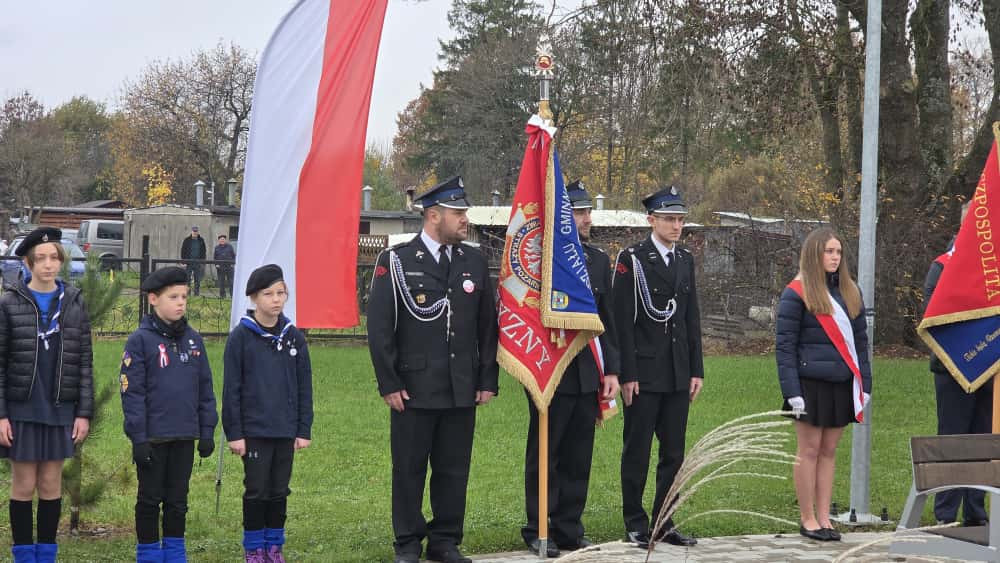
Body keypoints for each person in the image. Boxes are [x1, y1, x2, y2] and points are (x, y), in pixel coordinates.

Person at [367, 176, 499, 563]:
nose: (464, 219)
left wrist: (486, 378)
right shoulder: (398, 260)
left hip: (461, 386)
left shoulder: (472, 259)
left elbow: (487, 326)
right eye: (458, 213)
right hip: (414, 386)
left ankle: (445, 540)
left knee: (453, 469)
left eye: (464, 212)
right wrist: (389, 382)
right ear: (433, 215)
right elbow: (379, 328)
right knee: (409, 470)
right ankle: (407, 542)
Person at [521, 180, 620, 557]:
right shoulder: (542, 260)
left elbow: (605, 319)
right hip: (549, 370)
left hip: (587, 372)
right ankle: (538, 527)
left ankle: (568, 528)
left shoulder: (597, 260)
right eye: (579, 213)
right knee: (546, 454)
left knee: (579, 455)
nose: (586, 219)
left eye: (587, 212)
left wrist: (611, 370)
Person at [612, 186, 703, 549]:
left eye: (680, 220)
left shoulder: (685, 260)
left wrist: (696, 368)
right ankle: (636, 521)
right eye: (669, 219)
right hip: (645, 374)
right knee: (637, 450)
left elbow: (690, 318)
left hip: (677, 372)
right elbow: (622, 322)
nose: (676, 226)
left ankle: (665, 521)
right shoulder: (632, 259)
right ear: (651, 220)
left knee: (674, 453)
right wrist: (627, 374)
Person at [0, 227, 94, 563]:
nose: (48, 264)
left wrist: (83, 412)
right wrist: (1, 415)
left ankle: (47, 555)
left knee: (51, 484)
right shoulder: (9, 303)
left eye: (54, 257)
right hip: (22, 408)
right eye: (40, 258)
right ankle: (25, 556)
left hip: (59, 408)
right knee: (24, 485)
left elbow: (84, 360)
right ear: (27, 262)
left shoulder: (73, 302)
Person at [776, 227, 872, 542]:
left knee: (829, 451)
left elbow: (860, 344)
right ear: (814, 254)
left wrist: (865, 385)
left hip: (841, 384)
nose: (834, 257)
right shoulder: (796, 292)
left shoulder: (850, 291)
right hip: (808, 385)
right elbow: (785, 347)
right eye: (828, 251)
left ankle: (824, 516)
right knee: (810, 450)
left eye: (838, 252)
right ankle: (807, 519)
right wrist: (792, 392)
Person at [120, 266, 218, 562]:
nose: (180, 303)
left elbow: (205, 388)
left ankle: (175, 553)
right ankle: (148, 553)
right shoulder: (140, 341)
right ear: (153, 299)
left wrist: (207, 430)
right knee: (150, 499)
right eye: (173, 297)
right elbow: (132, 393)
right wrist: (139, 437)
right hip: (153, 438)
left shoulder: (193, 340)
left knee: (178, 500)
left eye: (184, 297)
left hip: (184, 436)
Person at [224, 264, 313, 563]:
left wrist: (303, 428)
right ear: (253, 298)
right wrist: (235, 433)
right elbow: (231, 389)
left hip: (285, 429)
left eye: (281, 293)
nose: (276, 299)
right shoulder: (241, 337)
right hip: (255, 431)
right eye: (268, 294)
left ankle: (274, 547)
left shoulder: (294, 338)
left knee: (279, 491)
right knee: (257, 490)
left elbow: (304, 387)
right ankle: (254, 548)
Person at [924, 202, 989, 526]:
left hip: (989, 369)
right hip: (953, 368)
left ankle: (976, 511)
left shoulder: (993, 270)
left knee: (981, 439)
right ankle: (946, 513)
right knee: (953, 438)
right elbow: (934, 318)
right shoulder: (942, 266)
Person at [180, 226, 206, 297]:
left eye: (196, 231)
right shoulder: (187, 240)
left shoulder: (201, 240)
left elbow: (204, 251)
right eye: (194, 231)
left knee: (197, 279)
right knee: (187, 278)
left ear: (198, 232)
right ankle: (188, 294)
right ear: (191, 232)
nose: (195, 232)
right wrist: (183, 262)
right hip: (188, 262)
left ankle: (196, 294)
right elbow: (183, 251)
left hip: (198, 262)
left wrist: (202, 262)